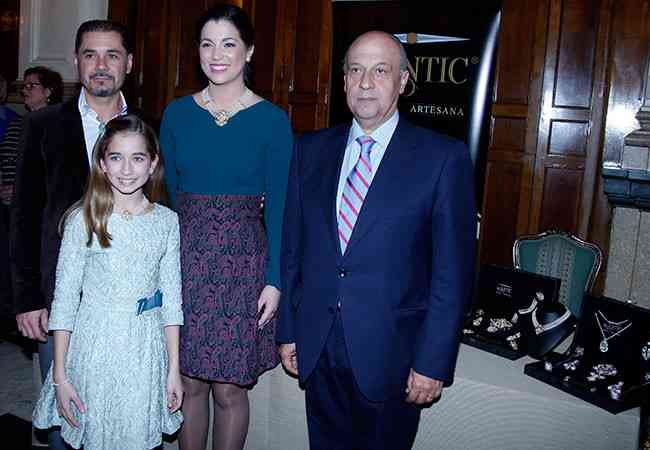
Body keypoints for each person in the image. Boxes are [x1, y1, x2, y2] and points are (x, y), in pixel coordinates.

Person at [277, 31, 477, 450]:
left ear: (403, 81)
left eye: (380, 70)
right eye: (356, 70)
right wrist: (289, 332)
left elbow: (452, 274)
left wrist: (433, 361)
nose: (365, 82)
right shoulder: (309, 150)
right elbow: (293, 250)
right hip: (319, 347)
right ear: (344, 80)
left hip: (393, 357)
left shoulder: (443, 158)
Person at [159, 5, 293, 450]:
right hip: (187, 262)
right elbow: (168, 199)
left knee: (231, 389)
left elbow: (279, 209)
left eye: (229, 44)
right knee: (189, 381)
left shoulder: (272, 120)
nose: (216, 55)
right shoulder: (177, 114)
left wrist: (274, 279)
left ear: (249, 51)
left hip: (244, 266)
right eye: (207, 44)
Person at [10, 19, 134, 450]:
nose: (101, 65)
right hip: (60, 301)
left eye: (112, 55)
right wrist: (27, 298)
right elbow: (24, 216)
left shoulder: (150, 127)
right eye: (90, 55)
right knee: (65, 418)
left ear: (128, 63)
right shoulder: (43, 125)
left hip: (128, 306)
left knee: (119, 418)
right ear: (76, 63)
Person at [32, 114, 184, 449]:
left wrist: (173, 369)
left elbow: (172, 299)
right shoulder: (83, 219)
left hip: (144, 350)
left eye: (137, 158)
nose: (126, 169)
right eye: (116, 157)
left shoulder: (167, 222)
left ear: (153, 163)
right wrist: (60, 375)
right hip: (94, 346)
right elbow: (65, 300)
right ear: (102, 163)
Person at [1, 66, 64, 206]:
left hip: (38, 204)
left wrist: (21, 189)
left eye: (31, 86)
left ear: (48, 91)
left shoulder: (58, 125)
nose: (24, 91)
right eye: (24, 86)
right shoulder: (16, 123)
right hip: (8, 205)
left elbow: (57, 171)